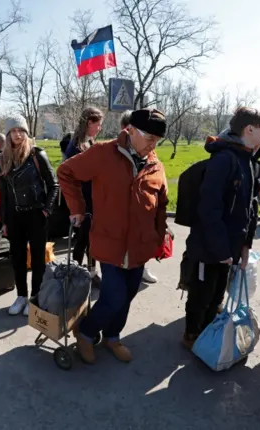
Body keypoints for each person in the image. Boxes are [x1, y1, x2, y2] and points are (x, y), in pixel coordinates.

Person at [58, 108, 169, 364]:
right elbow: (66, 172)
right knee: (113, 296)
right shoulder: (103, 153)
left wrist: (159, 236)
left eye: (157, 140)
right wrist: (77, 209)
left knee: (129, 294)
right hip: (110, 241)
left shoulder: (155, 165)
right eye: (148, 137)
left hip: (140, 245)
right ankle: (85, 334)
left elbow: (161, 205)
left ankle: (112, 336)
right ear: (130, 130)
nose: (153, 144)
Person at [183, 107, 260, 350]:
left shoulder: (248, 159)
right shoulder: (224, 159)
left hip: (229, 247)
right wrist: (221, 250)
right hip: (209, 247)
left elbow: (250, 207)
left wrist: (245, 245)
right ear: (249, 130)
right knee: (201, 294)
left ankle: (208, 333)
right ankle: (191, 335)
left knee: (217, 293)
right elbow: (209, 209)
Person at [0, 115, 59, 316]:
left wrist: (46, 210)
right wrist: (5, 221)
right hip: (15, 217)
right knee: (17, 258)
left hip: (36, 214)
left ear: (26, 132)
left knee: (39, 259)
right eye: (13, 131)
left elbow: (54, 185)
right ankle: (21, 295)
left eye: (20, 130)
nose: (17, 134)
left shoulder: (36, 155)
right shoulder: (2, 158)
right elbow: (4, 193)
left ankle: (35, 296)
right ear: (8, 135)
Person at [64, 107, 104, 285]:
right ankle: (75, 275)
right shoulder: (76, 147)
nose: (100, 128)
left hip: (92, 201)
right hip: (83, 203)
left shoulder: (89, 143)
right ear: (89, 123)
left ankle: (91, 272)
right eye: (98, 124)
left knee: (91, 241)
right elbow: (74, 177)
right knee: (82, 241)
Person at [120, 110, 159, 285]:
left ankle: (141, 267)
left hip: (141, 227)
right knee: (117, 293)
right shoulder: (111, 153)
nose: (152, 145)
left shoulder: (151, 158)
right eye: (149, 138)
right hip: (117, 228)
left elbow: (160, 191)